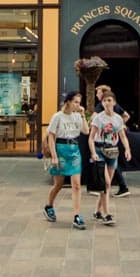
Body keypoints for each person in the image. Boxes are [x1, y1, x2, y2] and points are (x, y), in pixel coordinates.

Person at [42, 90, 88, 229]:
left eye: (79, 103)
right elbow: (51, 136)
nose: (78, 105)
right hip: (61, 149)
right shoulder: (58, 116)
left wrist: (83, 115)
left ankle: (76, 216)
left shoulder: (77, 116)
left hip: (74, 150)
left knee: (76, 185)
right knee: (59, 184)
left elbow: (86, 131)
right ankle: (49, 205)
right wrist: (54, 156)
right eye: (75, 102)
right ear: (68, 101)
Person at [87, 93, 130, 226]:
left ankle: (97, 211)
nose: (106, 103)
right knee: (106, 182)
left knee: (106, 184)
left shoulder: (118, 119)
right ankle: (106, 213)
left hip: (113, 151)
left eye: (109, 100)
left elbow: (122, 136)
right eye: (104, 100)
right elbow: (91, 137)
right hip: (100, 150)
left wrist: (127, 149)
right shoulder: (98, 118)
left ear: (114, 102)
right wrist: (93, 152)